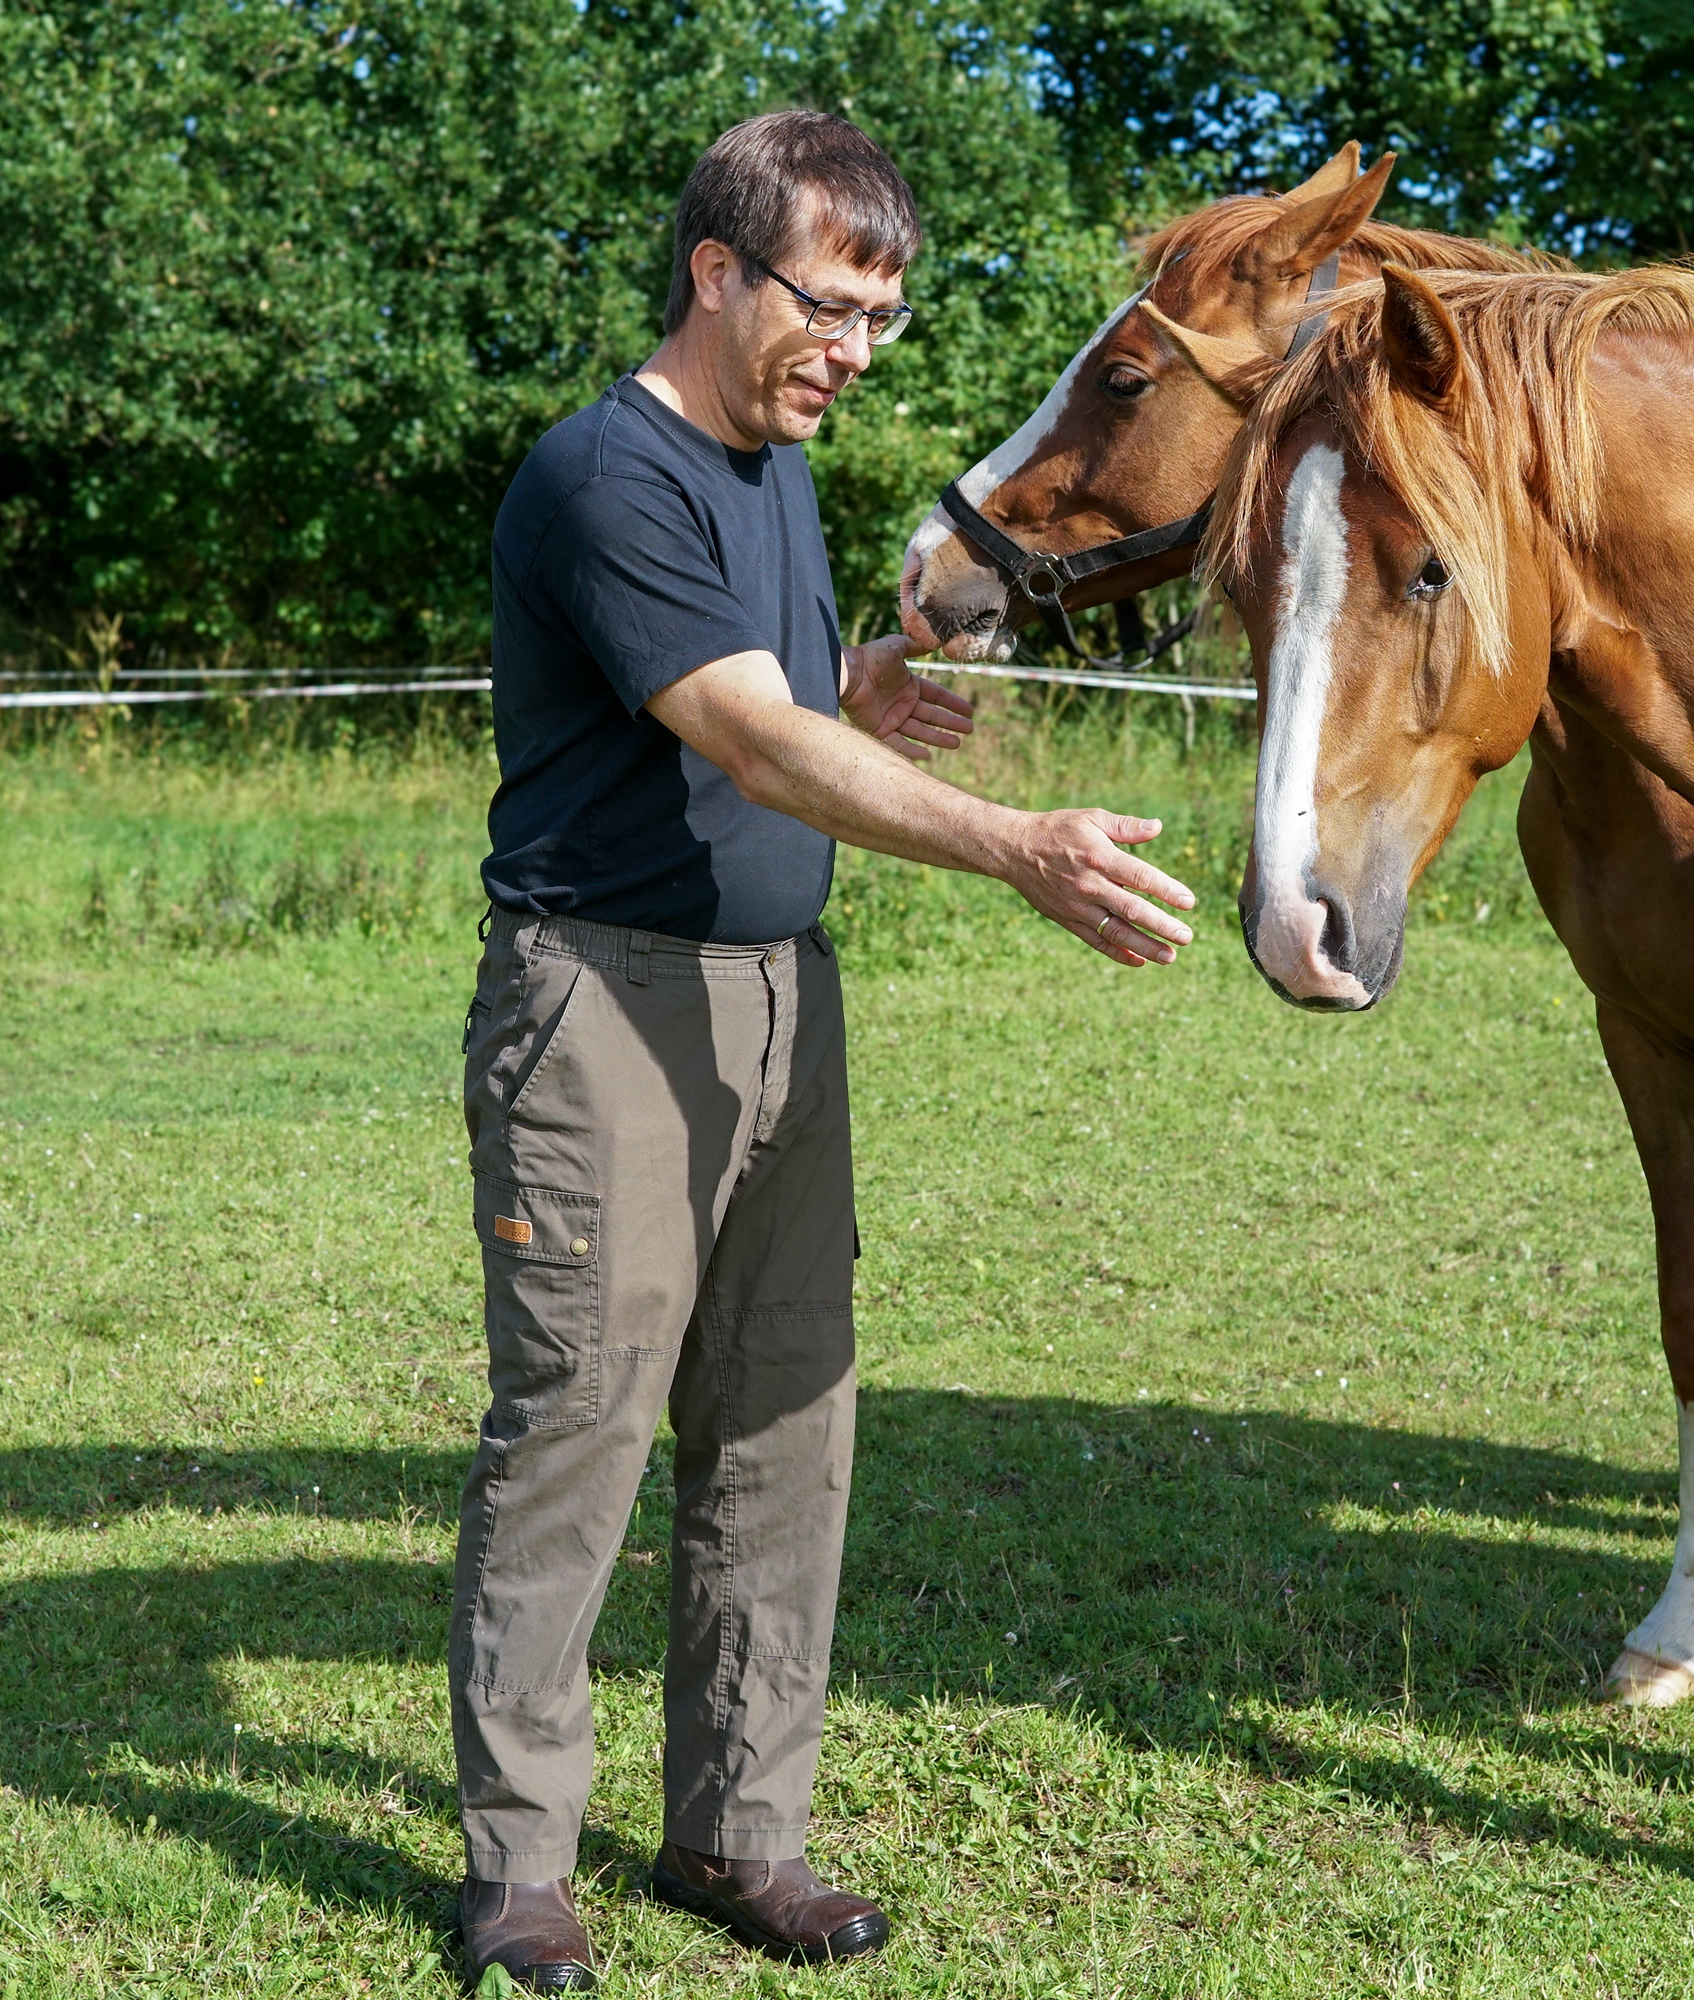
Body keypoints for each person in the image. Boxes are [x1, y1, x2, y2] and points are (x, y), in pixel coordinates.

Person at [454, 109, 1198, 1992]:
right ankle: (520, 1870)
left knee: (788, 1420)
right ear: (718, 272)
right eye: (831, 307)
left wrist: (856, 684)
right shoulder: (603, 473)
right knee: (579, 1430)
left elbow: (777, 698)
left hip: (787, 1001)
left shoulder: (773, 469)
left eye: (883, 316)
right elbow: (747, 737)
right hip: (604, 1005)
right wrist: (1016, 844)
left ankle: (738, 1834)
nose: (857, 352)